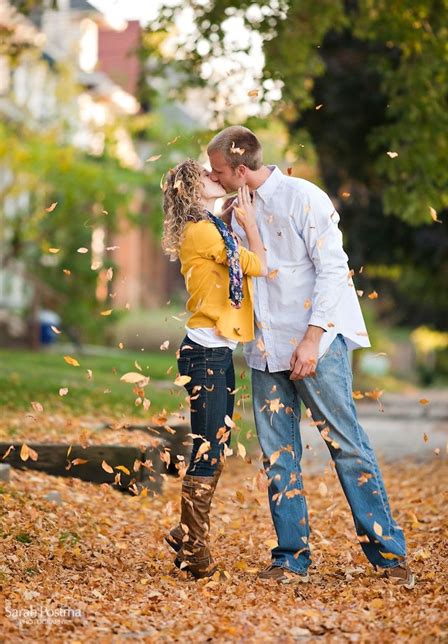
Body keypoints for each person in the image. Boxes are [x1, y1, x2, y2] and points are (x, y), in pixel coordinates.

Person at [207, 126, 415, 589]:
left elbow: (334, 270)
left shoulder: (305, 198)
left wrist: (312, 338)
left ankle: (388, 555)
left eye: (219, 171)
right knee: (279, 457)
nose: (214, 177)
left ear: (241, 169)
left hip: (315, 345)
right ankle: (291, 558)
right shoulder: (235, 209)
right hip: (264, 350)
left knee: (346, 445)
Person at [161, 159, 267, 578]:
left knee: (214, 445)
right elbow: (256, 265)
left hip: (214, 353)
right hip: (205, 353)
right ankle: (195, 551)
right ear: (191, 190)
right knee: (208, 449)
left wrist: (232, 218)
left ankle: (186, 531)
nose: (215, 176)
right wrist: (252, 225)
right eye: (206, 176)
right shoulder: (204, 231)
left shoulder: (208, 225)